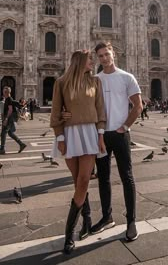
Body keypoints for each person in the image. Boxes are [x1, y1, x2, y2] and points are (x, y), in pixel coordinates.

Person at [50, 50, 106, 254]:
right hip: (70, 134)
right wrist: (60, 138)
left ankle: (68, 234)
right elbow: (56, 112)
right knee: (77, 183)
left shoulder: (95, 82)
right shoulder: (61, 82)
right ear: (80, 61)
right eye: (90, 59)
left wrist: (100, 135)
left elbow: (101, 110)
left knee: (83, 181)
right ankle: (87, 219)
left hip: (90, 133)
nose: (94, 62)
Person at [91, 42, 143, 241]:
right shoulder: (95, 80)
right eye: (100, 56)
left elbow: (138, 106)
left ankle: (131, 221)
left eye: (107, 54)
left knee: (126, 177)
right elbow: (90, 108)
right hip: (101, 136)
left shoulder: (126, 77)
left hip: (120, 135)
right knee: (103, 178)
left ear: (113, 53)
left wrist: (125, 127)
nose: (104, 58)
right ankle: (107, 217)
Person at [0, 87, 27, 155]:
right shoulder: (8, 99)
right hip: (10, 117)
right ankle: (21, 144)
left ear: (7, 92)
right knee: (10, 133)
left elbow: (10, 110)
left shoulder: (8, 99)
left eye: (4, 91)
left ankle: (2, 149)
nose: (3, 92)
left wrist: (6, 119)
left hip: (9, 117)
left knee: (3, 132)